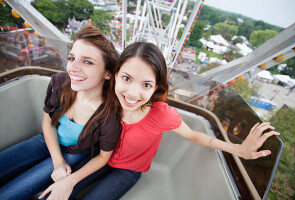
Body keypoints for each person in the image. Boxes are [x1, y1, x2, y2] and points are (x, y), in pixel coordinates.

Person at [49, 42, 279, 200]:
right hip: (98, 157)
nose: (132, 93)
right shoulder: (108, 98)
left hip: (128, 171)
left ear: (156, 88)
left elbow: (194, 135)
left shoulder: (161, 114)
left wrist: (237, 148)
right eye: (127, 78)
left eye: (146, 85)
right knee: (56, 190)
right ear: (116, 75)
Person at [0, 24, 121, 199]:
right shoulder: (60, 83)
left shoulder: (109, 114)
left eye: (87, 61)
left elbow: (104, 157)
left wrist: (65, 169)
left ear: (108, 73)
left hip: (77, 152)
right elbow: (48, 122)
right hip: (46, 139)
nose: (73, 68)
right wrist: (57, 162)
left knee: (12, 193)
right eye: (72, 58)